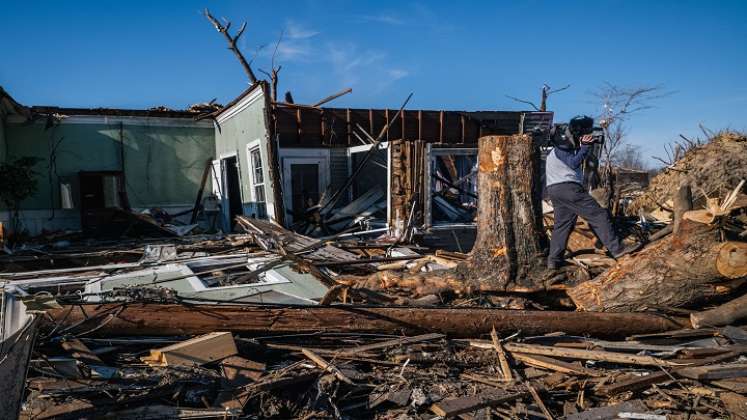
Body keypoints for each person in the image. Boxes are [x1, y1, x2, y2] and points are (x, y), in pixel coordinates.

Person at [545, 116, 638, 270]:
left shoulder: (563, 141)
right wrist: (585, 147)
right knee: (598, 215)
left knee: (562, 225)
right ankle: (618, 250)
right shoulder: (564, 143)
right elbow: (573, 162)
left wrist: (583, 146)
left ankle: (553, 261)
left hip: (554, 189)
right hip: (568, 188)